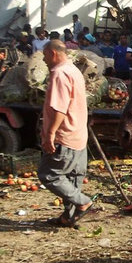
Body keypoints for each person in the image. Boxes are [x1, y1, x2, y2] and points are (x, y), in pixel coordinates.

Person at [39, 40, 93, 228]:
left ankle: (83, 202)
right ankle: (68, 217)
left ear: (53, 54)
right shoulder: (74, 71)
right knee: (72, 178)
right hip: (79, 134)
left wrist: (50, 134)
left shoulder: (59, 74)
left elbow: (59, 109)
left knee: (48, 174)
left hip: (65, 136)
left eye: (45, 55)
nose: (44, 60)